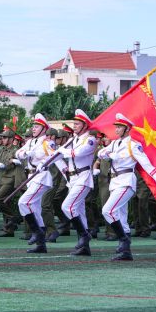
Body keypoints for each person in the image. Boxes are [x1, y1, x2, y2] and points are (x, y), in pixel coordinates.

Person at [97, 113, 156, 261]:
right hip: (114, 182)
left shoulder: (134, 145)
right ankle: (125, 251)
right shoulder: (115, 143)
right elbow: (100, 153)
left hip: (126, 181)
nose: (116, 130)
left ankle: (123, 240)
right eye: (116, 127)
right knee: (121, 216)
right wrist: (109, 154)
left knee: (107, 210)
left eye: (119, 127)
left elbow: (146, 163)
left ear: (127, 129)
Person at [53, 109, 98, 255]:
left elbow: (77, 153)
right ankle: (84, 247)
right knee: (79, 211)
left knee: (67, 206)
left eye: (78, 124)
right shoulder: (74, 139)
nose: (75, 126)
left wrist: (61, 151)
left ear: (85, 125)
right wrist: (45, 164)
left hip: (83, 177)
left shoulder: (90, 140)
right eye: (74, 123)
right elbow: (61, 155)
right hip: (72, 178)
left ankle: (85, 235)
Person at [14, 114, 57, 253]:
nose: (33, 128)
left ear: (44, 128)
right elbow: (18, 153)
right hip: (32, 177)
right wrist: (26, 153)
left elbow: (54, 156)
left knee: (23, 202)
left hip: (42, 176)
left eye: (37, 126)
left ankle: (37, 233)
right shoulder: (32, 142)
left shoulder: (47, 143)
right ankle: (41, 243)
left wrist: (44, 163)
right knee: (35, 208)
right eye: (33, 126)